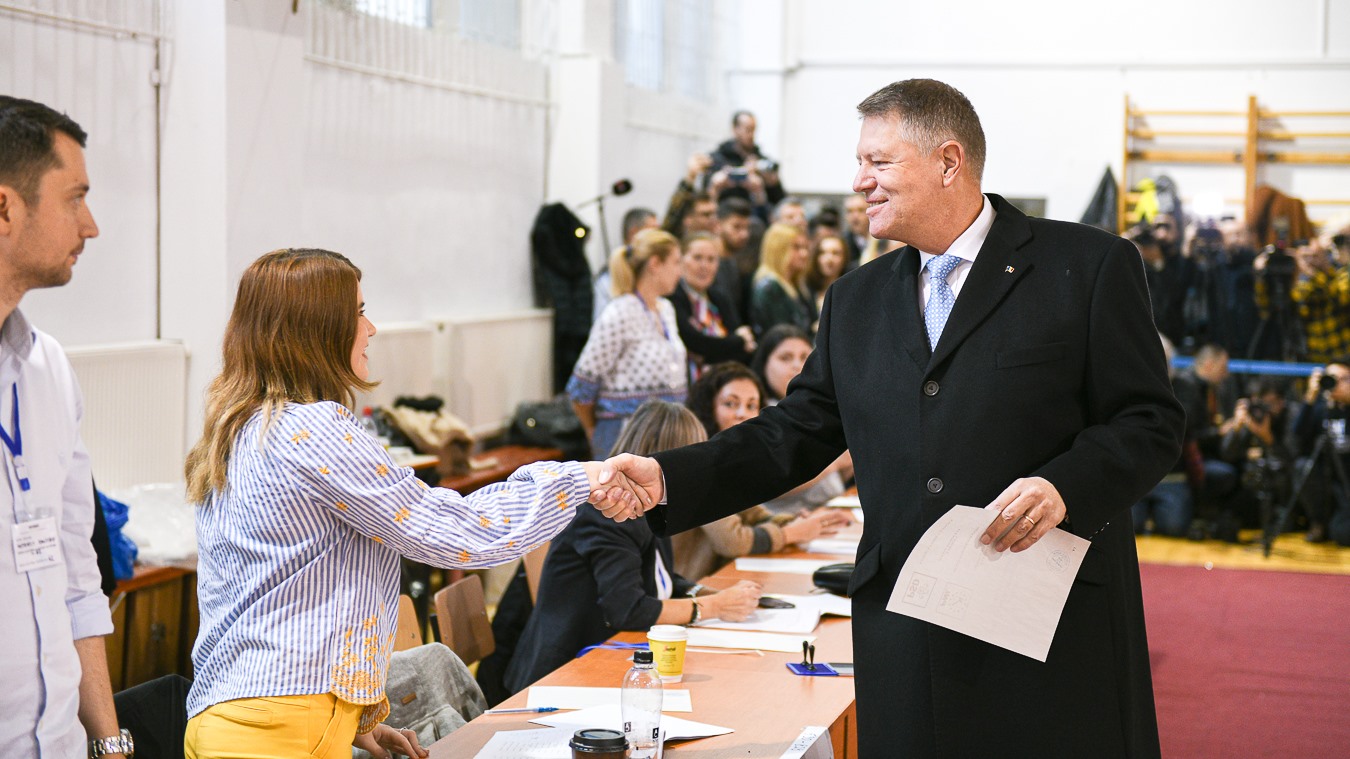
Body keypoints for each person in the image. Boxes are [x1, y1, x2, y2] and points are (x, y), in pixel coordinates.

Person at [597, 79, 1184, 757]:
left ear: (948, 161)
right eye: (860, 163)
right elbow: (791, 433)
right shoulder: (856, 299)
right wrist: (668, 476)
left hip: (1048, 621)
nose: (859, 182)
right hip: (908, 625)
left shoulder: (1086, 265)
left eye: (878, 162)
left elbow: (1149, 420)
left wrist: (1064, 486)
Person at [181, 248, 641, 759]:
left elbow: (281, 587)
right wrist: (579, 478)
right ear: (317, 330)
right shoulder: (312, 429)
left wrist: (351, 720)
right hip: (279, 730)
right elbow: (456, 531)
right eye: (357, 313)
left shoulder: (239, 427)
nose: (370, 328)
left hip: (234, 718)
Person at [0, 96, 131, 758]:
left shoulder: (47, 368)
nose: (91, 225)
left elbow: (77, 573)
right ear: (4, 209)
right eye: (75, 198)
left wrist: (109, 743)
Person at [502, 400, 761, 694]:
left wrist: (705, 593)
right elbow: (628, 609)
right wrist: (713, 607)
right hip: (562, 675)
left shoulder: (644, 505)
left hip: (605, 661)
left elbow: (656, 577)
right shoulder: (610, 512)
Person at [674, 363, 847, 578]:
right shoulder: (699, 462)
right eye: (730, 404)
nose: (742, 414)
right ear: (708, 408)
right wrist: (790, 533)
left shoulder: (734, 460)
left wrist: (796, 522)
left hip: (725, 578)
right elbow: (732, 541)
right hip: (693, 585)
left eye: (751, 405)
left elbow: (754, 515)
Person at [568, 228, 688, 458]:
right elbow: (581, 387)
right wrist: (593, 431)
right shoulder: (620, 311)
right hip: (626, 437)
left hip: (667, 433)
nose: (680, 271)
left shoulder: (666, 309)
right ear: (655, 264)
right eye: (675, 262)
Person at [748, 326, 853, 514]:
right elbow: (767, 483)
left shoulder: (821, 409)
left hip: (834, 508)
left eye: (805, 357)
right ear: (764, 363)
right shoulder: (754, 411)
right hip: (787, 519)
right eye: (785, 358)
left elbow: (841, 472)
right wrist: (835, 463)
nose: (797, 365)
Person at [667, 232, 755, 381]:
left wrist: (716, 349)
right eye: (697, 258)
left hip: (724, 379)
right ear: (681, 261)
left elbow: (744, 351)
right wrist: (737, 341)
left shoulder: (720, 297)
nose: (704, 266)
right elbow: (697, 343)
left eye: (711, 259)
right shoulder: (672, 298)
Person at [592, 207, 660, 323]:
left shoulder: (654, 268)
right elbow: (602, 320)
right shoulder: (608, 277)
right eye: (653, 231)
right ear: (634, 233)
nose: (658, 237)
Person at [749, 223, 814, 337]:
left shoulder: (798, 284)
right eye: (796, 247)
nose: (804, 254)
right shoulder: (769, 288)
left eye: (805, 247)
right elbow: (781, 336)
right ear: (778, 250)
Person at [802, 234, 848, 325]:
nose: (829, 259)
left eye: (836, 253)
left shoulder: (851, 289)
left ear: (845, 258)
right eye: (823, 253)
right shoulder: (805, 289)